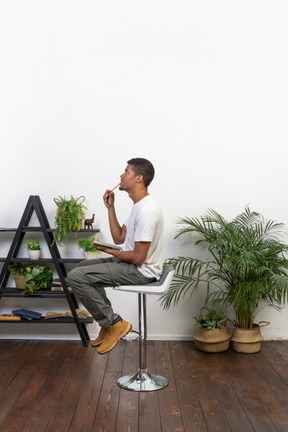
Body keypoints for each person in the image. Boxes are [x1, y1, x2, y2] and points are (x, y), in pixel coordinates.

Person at [67, 158, 164, 355]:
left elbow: (138, 258)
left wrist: (110, 251)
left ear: (139, 178)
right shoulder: (138, 205)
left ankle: (114, 324)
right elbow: (119, 237)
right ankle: (107, 324)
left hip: (141, 270)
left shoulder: (147, 210)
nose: (121, 175)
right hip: (130, 263)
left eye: (126, 171)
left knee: (76, 278)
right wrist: (110, 208)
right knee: (79, 270)